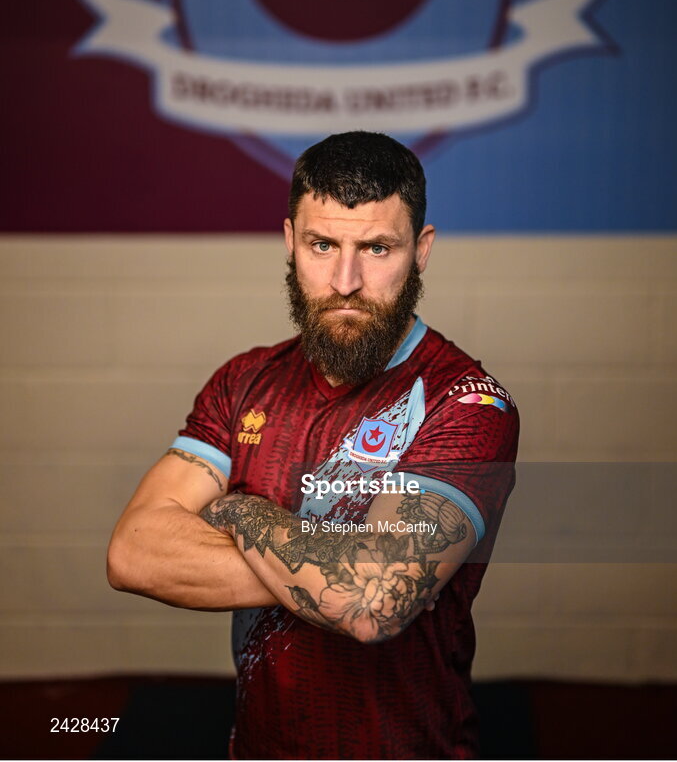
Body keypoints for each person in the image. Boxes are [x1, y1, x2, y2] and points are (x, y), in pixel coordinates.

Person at [108, 130, 519, 759]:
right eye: (321, 244)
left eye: (377, 247)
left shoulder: (466, 402)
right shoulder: (244, 380)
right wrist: (337, 567)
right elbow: (133, 553)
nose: (345, 280)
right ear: (289, 242)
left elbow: (371, 602)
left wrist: (236, 508)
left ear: (422, 250)